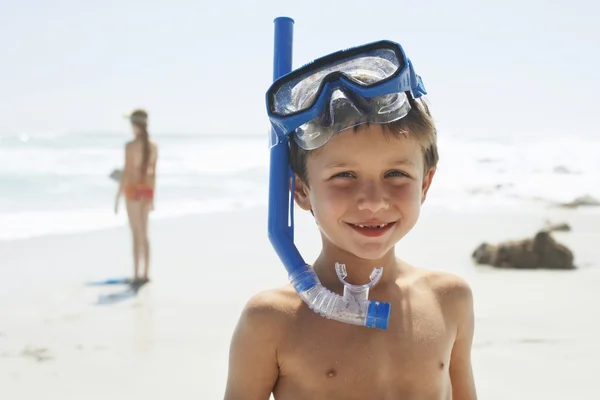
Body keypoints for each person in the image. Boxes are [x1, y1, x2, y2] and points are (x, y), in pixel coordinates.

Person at [224, 40, 477, 399]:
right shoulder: (271, 320)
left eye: (395, 174)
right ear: (301, 191)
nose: (373, 202)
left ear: (425, 183)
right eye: (344, 176)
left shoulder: (449, 300)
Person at [114, 108, 158, 284]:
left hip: (132, 191)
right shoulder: (153, 146)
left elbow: (126, 173)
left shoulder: (130, 146)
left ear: (135, 125)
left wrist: (117, 196)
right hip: (146, 191)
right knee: (145, 233)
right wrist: (152, 198)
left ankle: (135, 274)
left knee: (135, 233)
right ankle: (146, 273)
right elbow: (153, 174)